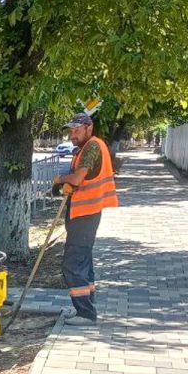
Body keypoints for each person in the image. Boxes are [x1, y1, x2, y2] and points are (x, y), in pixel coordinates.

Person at [52, 113, 118, 326]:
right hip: (84, 213)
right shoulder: (85, 148)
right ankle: (86, 306)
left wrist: (61, 180)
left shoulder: (92, 147)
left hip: (85, 214)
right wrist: (67, 185)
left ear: (89, 128)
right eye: (71, 131)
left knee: (72, 264)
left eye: (77, 130)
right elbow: (81, 179)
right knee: (83, 263)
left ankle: (86, 313)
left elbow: (78, 178)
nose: (73, 135)